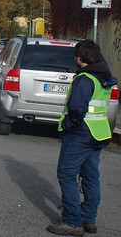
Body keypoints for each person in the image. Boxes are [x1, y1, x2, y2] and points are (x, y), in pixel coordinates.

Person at [47, 40, 117, 236]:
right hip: (98, 133)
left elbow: (77, 109)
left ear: (80, 57)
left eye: (76, 55)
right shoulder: (103, 76)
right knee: (91, 178)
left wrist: (67, 127)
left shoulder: (85, 79)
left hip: (79, 135)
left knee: (66, 175)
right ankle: (88, 220)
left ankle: (71, 222)